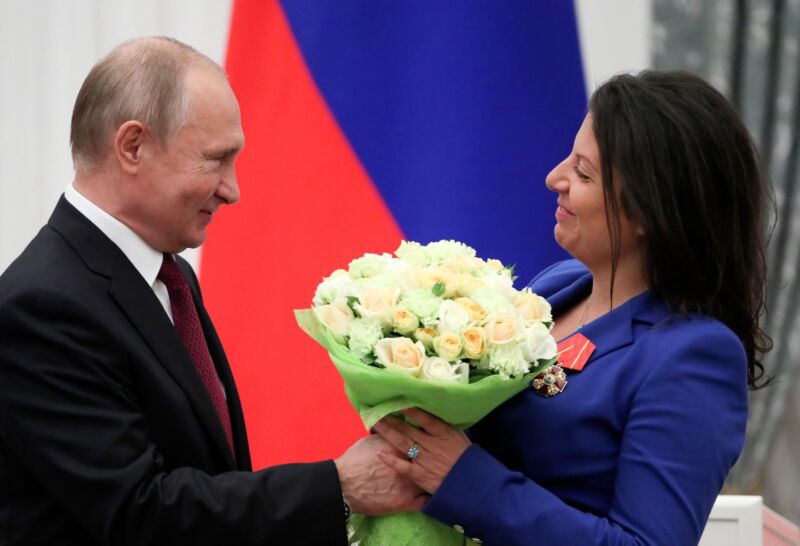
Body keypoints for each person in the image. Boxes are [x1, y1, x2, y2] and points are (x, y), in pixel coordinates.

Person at [0, 36, 425, 546]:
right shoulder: (42, 306)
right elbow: (139, 514)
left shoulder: (168, 274)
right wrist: (337, 486)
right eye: (216, 159)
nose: (232, 189)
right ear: (132, 146)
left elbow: (207, 473)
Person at [374, 70, 772, 545]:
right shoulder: (560, 284)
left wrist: (462, 479)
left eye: (584, 172)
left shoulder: (694, 355)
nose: (554, 178)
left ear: (651, 210)